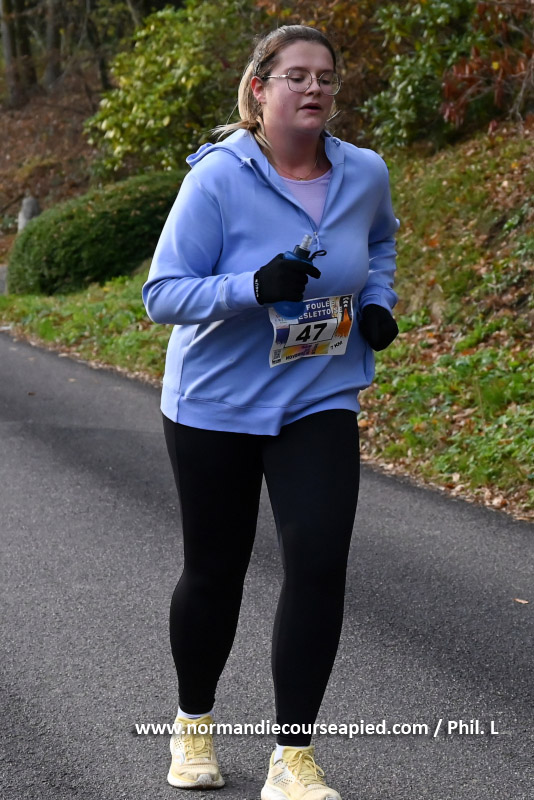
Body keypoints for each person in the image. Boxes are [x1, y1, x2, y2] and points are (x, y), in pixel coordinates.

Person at [142, 24, 399, 800]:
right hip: (215, 402)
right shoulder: (217, 179)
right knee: (215, 571)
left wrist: (379, 303)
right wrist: (253, 287)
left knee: (317, 563)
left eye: (326, 76)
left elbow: (380, 245)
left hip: (317, 393)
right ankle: (193, 724)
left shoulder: (364, 173)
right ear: (259, 89)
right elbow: (162, 294)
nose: (315, 87)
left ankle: (292, 757)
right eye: (297, 75)